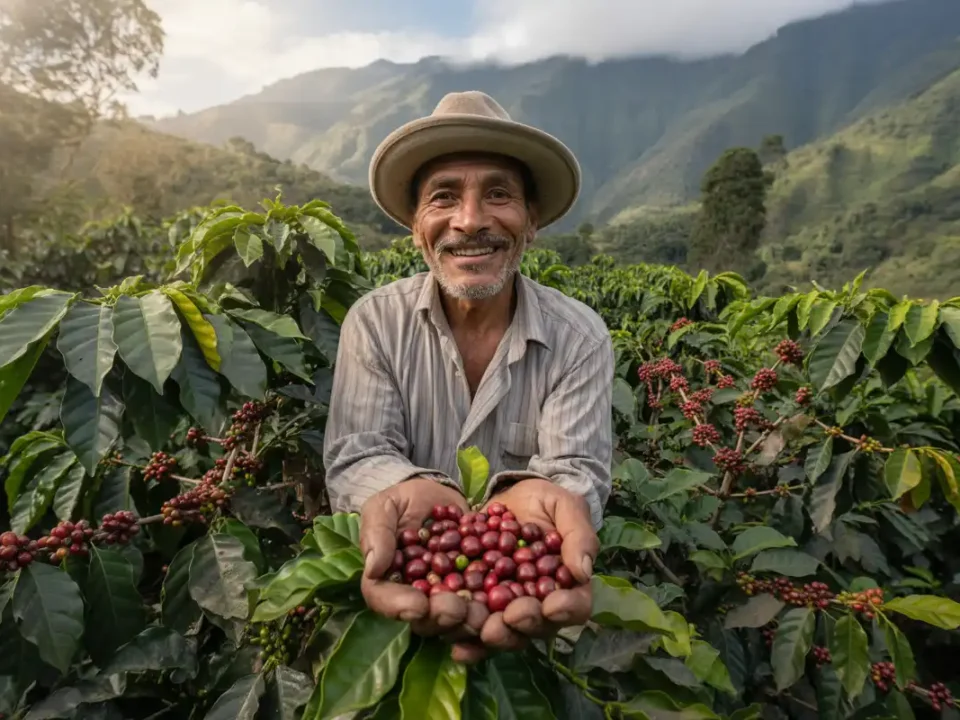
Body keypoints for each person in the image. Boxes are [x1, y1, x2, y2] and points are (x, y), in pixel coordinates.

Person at [322, 90, 614, 663]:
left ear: (532, 222)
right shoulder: (375, 322)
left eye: (499, 194)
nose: (471, 220)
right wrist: (409, 498)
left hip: (533, 633)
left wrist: (538, 509)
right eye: (444, 197)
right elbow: (358, 456)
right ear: (417, 227)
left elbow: (575, 473)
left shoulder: (580, 337)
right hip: (399, 622)